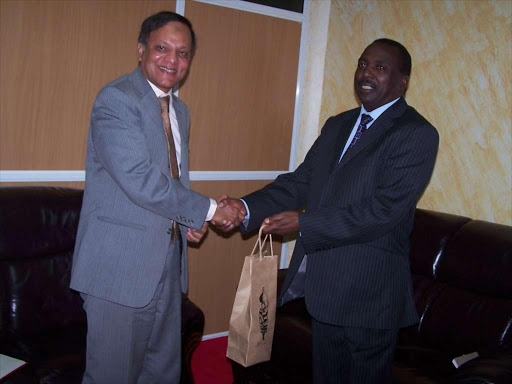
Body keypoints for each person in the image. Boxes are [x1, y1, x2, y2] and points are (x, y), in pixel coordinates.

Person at [218, 39, 439, 383]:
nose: (366, 73)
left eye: (380, 68)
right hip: (325, 292)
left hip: (370, 297)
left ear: (402, 81)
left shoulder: (416, 133)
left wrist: (304, 223)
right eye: (362, 64)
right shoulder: (339, 125)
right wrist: (245, 207)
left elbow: (384, 211)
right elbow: (299, 182)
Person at [70, 11, 245, 384]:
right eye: (162, 48)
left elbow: (172, 183)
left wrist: (186, 223)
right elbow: (140, 180)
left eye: (183, 53)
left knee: (162, 373)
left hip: (167, 265)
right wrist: (211, 210)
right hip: (118, 269)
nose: (172, 60)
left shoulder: (179, 111)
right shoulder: (116, 99)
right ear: (141, 50)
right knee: (111, 376)